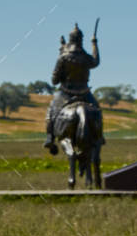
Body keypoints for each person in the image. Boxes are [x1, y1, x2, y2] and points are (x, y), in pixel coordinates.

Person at [43, 22, 103, 153]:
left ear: (70, 39)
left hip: (66, 94)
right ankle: (100, 136)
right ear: (81, 40)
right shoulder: (85, 57)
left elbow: (54, 80)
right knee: (97, 110)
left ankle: (49, 138)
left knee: (51, 111)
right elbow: (96, 62)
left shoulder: (63, 57)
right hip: (84, 93)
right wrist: (94, 43)